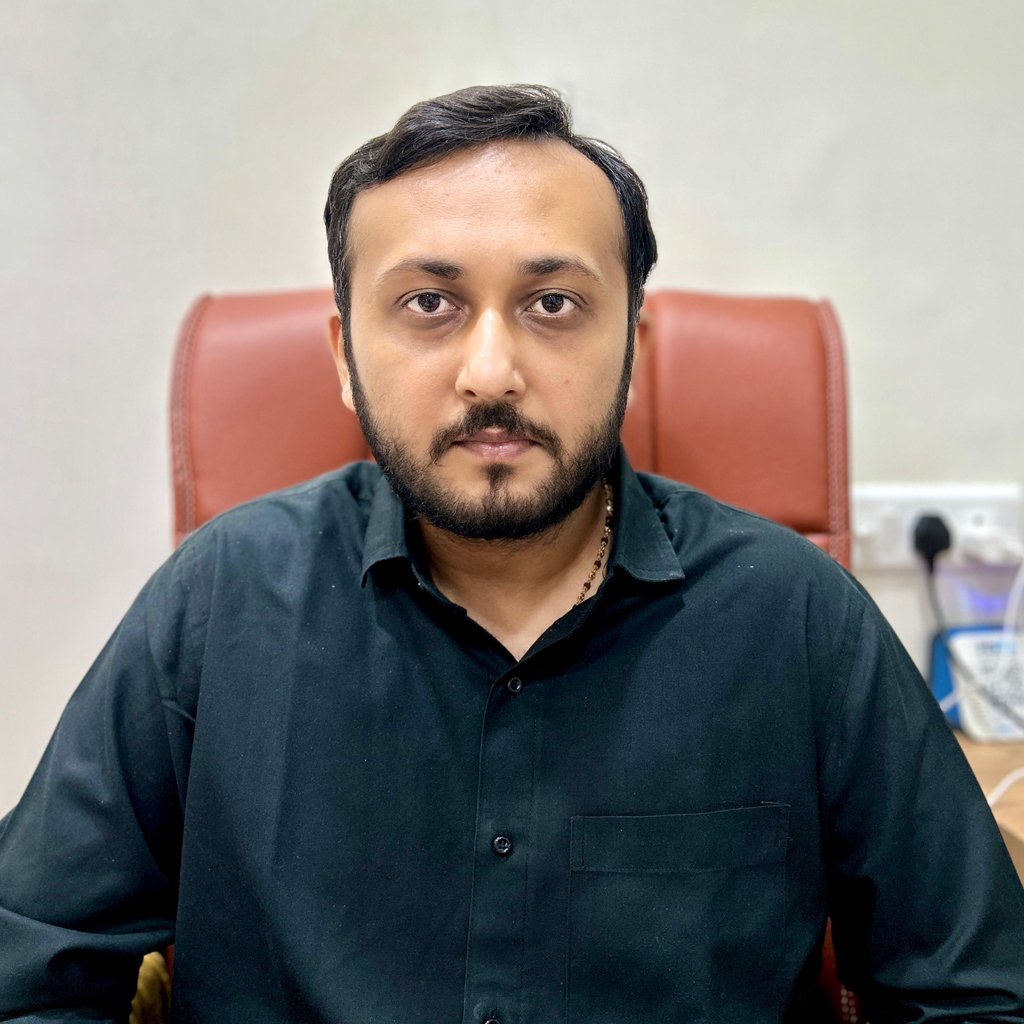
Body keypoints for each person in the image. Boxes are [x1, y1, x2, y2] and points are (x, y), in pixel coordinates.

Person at [1, 84, 1022, 1024]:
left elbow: (974, 996)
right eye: (429, 304)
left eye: (552, 304)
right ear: (344, 358)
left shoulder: (796, 618)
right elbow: (30, 973)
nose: (490, 372)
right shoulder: (220, 600)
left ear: (633, 347)